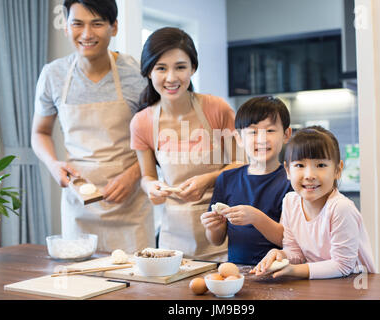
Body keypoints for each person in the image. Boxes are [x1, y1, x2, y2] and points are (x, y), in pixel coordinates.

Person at [31, 0, 154, 253]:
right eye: (77, 24)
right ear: (66, 27)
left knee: (137, 288)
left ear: (114, 27)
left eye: (97, 24)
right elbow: (39, 132)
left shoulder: (137, 74)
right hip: (79, 206)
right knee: (82, 284)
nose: (86, 34)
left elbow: (159, 138)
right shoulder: (53, 75)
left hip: (130, 207)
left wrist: (133, 175)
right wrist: (53, 165)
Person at [130, 27, 243, 261]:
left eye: (180, 67)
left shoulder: (216, 109)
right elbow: (147, 177)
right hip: (174, 242)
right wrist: (152, 188)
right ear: (149, 72)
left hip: (224, 236)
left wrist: (208, 179)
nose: (171, 78)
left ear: (192, 68)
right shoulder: (141, 123)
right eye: (161, 68)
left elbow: (241, 164)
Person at [251, 126, 376, 279]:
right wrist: (280, 254)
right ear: (288, 171)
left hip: (356, 285)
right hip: (322, 285)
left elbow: (342, 265)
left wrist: (294, 271)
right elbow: (295, 253)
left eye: (321, 165)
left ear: (337, 170)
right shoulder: (290, 202)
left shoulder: (340, 208)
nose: (309, 175)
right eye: (300, 165)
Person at [200, 96, 293, 265]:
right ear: (239, 138)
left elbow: (290, 241)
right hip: (237, 274)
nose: (262, 139)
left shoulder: (292, 181)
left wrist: (256, 218)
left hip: (280, 274)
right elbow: (216, 240)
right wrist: (213, 227)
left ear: (286, 134)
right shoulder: (227, 179)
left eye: (270, 131)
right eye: (253, 132)